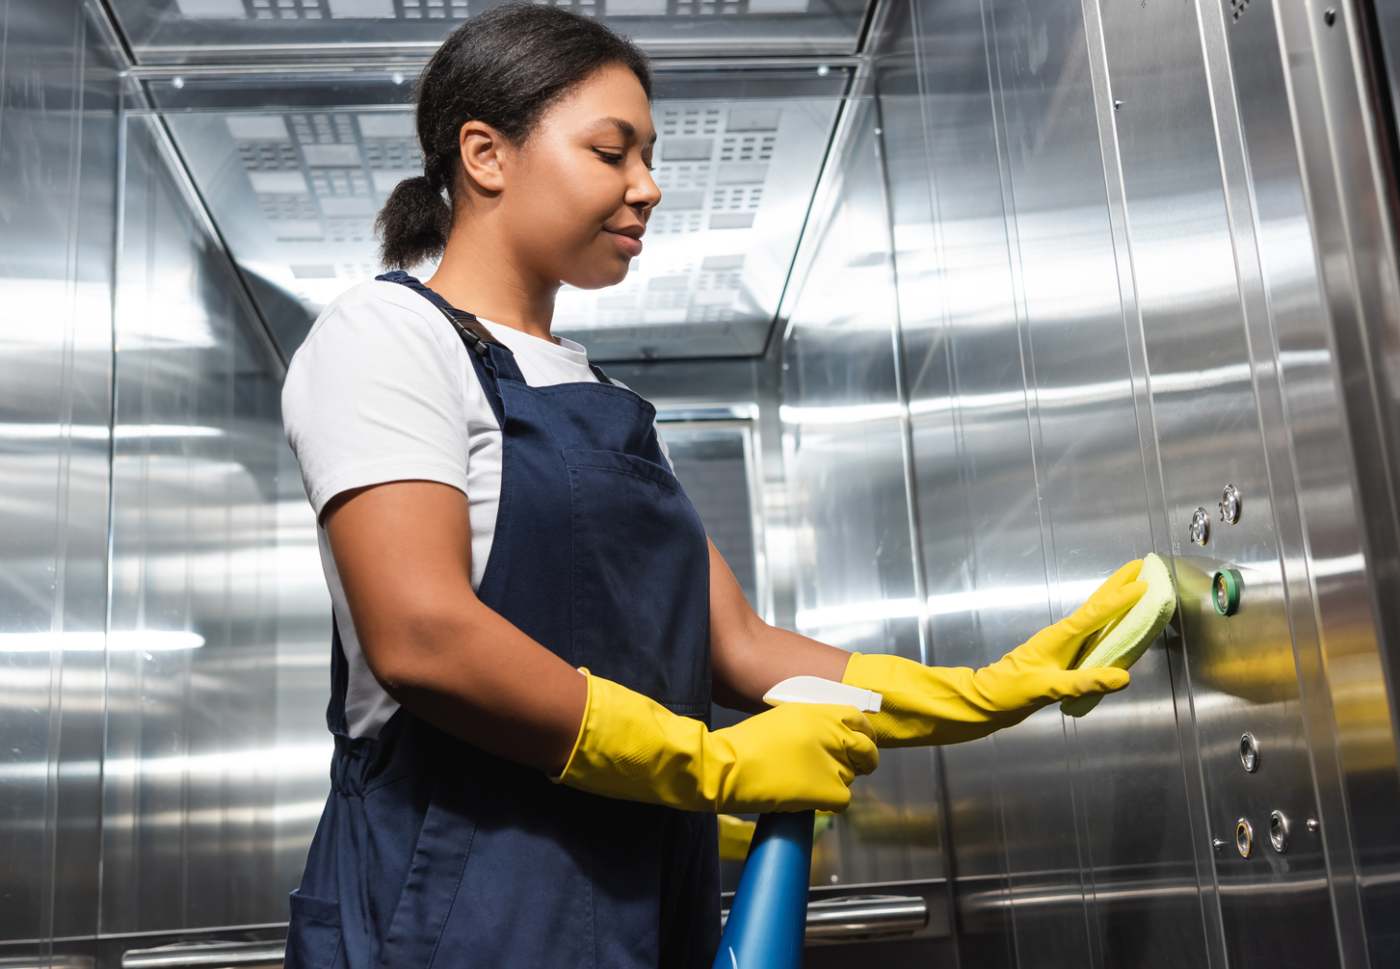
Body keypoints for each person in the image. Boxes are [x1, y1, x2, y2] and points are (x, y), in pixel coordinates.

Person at [279, 4, 1143, 967]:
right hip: (454, 907)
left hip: (638, 897)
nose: (648, 187)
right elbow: (424, 636)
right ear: (486, 154)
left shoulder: (597, 393)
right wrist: (711, 761)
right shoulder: (387, 336)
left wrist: (978, 693)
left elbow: (737, 644)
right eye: (612, 152)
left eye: (647, 156)